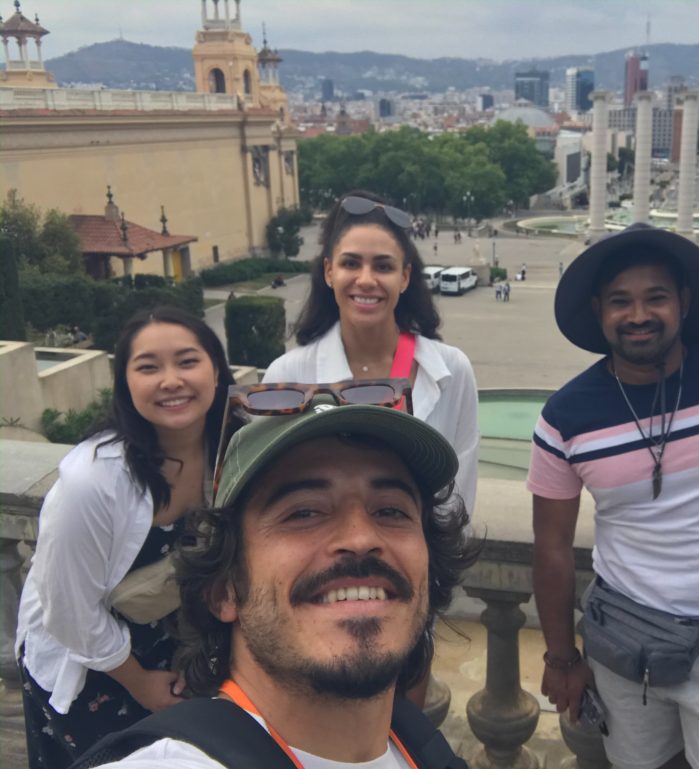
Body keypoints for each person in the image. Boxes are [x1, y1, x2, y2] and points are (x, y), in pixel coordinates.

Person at [82, 395, 479, 768]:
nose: (361, 538)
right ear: (225, 590)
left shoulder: (418, 743)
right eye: (304, 513)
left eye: (391, 510)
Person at [529, 223, 699, 769]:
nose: (639, 314)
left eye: (656, 298)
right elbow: (550, 546)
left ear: (685, 303)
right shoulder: (565, 418)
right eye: (621, 301)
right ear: (600, 310)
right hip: (627, 641)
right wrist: (560, 657)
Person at [262, 190, 479, 705]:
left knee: (398, 726)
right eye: (352, 264)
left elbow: (457, 493)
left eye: (383, 266)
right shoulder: (288, 375)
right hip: (316, 588)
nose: (367, 280)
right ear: (328, 272)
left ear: (405, 278)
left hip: (407, 587)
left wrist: (428, 599)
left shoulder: (449, 372)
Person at [17, 306, 236, 768]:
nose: (171, 380)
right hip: (95, 666)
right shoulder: (92, 481)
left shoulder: (232, 449)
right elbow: (67, 612)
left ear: (216, 370)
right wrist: (137, 681)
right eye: (149, 367)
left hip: (180, 650)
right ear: (125, 384)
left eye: (187, 361)